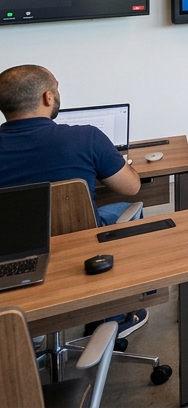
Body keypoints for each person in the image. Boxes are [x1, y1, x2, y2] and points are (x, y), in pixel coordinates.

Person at [0, 65, 146, 335]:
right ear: (48, 97)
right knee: (130, 210)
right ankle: (116, 313)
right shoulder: (86, 137)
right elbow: (131, 187)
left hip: (13, 263)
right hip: (81, 251)